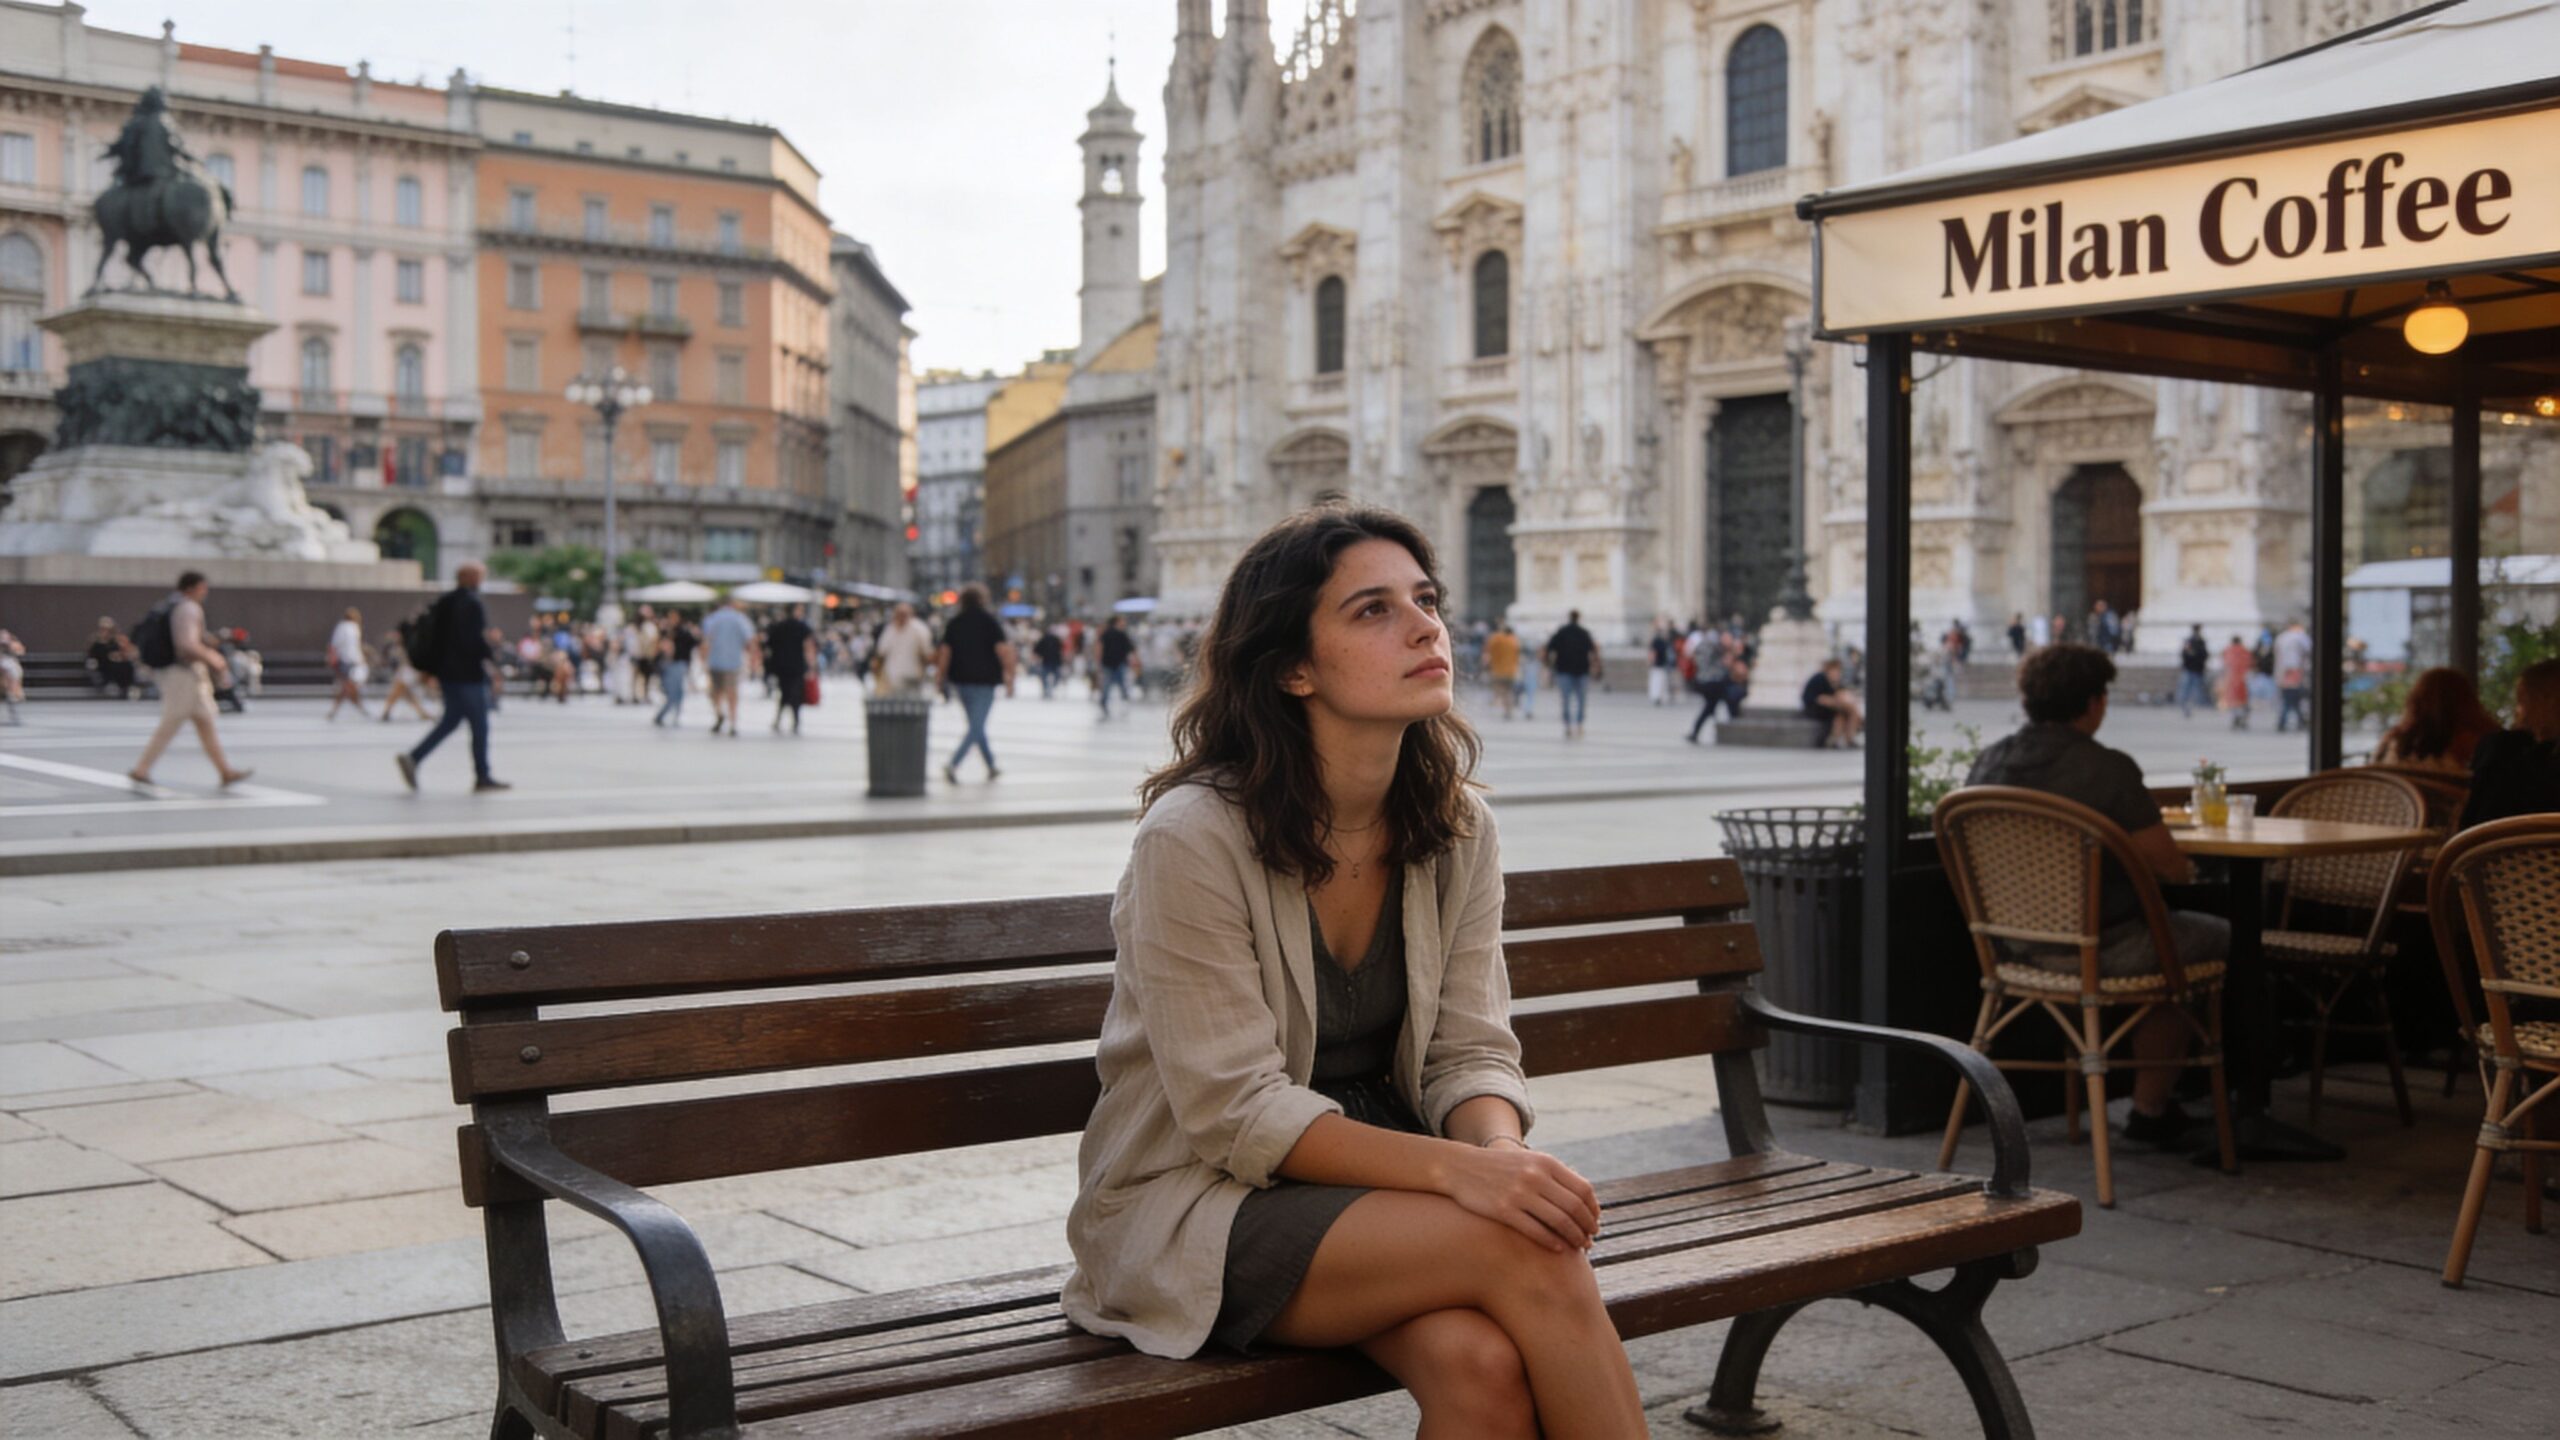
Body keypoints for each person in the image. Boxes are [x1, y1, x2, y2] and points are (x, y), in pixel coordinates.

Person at [1061, 506, 1644, 1433]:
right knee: (1530, 1248)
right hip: (1197, 1205)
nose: (1425, 627)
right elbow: (1235, 1111)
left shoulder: (1456, 826)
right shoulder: (1193, 837)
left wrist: (1496, 1153)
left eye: (1426, 600)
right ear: (1293, 666)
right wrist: (1468, 1182)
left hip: (1380, 1190)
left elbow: (1471, 1050)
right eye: (1372, 611)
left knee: (1481, 1366)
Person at [1965, 643, 2227, 1147]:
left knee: (2170, 939)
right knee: (2209, 940)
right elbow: (2170, 865)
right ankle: (2154, 1108)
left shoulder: (1989, 762)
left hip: (2008, 950)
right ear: (2094, 703)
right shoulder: (2106, 769)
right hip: (2100, 949)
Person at [128, 571, 252, 790]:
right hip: (182, 673)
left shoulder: (170, 604)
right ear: (193, 587)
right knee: (172, 720)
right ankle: (142, 769)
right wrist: (214, 659)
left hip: (183, 674)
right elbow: (187, 644)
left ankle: (225, 770)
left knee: (205, 721)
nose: (205, 593)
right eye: (203, 588)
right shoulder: (188, 607)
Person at [396, 562, 508, 793]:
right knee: (479, 724)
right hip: (467, 673)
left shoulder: (445, 601)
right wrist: (490, 652)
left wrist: (433, 670)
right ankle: (482, 776)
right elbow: (472, 640)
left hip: (447, 673)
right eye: (480, 575)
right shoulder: (471, 603)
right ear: (470, 577)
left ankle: (414, 758)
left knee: (451, 721)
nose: (482, 579)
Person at [2458, 659, 2560, 831]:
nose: (2516, 711)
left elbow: (2474, 826)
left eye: (2520, 701)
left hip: (2497, 854)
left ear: (2540, 702)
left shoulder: (2504, 750)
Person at [935, 584, 1016, 782]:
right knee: (976, 726)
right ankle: (953, 764)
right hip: (985, 681)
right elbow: (1003, 651)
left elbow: (945, 653)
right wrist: (1010, 677)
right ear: (982, 600)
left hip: (960, 681)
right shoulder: (990, 622)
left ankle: (991, 765)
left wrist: (939, 678)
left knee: (975, 724)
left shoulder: (954, 622)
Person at [2373, 668, 2501, 774]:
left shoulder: (2394, 742)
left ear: (2415, 701)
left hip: (2394, 803)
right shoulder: (2469, 741)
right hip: (2454, 803)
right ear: (2467, 703)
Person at [700, 596, 756, 737]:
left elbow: (706, 641)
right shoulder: (740, 619)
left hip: (715, 660)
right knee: (732, 693)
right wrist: (753, 660)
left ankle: (719, 713)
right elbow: (750, 641)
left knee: (715, 692)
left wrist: (703, 661)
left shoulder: (712, 619)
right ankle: (733, 723)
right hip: (734, 661)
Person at [1541, 610, 1599, 739]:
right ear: (1579, 618)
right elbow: (1594, 651)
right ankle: (1579, 724)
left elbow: (1549, 648)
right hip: (1582, 671)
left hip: (1564, 671)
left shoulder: (1561, 632)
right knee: (1581, 700)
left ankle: (1567, 725)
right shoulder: (1584, 633)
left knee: (1566, 700)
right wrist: (1595, 666)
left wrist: (1548, 664)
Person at [764, 607, 817, 735]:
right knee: (795, 693)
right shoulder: (802, 627)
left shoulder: (778, 627)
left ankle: (780, 718)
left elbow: (769, 647)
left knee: (784, 692)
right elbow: (808, 645)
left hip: (781, 665)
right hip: (797, 665)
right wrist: (811, 664)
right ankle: (795, 720)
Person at [874, 602, 939, 697]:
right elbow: (881, 652)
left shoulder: (919, 629)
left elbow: (927, 653)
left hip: (913, 676)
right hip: (892, 676)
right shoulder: (890, 629)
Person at [1800, 657, 1863, 748]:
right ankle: (1849, 738)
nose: (1837, 672)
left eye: (1838, 670)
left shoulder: (1835, 681)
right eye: (1835, 670)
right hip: (1814, 708)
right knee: (1850, 709)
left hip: (1829, 709)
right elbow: (1819, 699)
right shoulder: (1819, 678)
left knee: (1840, 715)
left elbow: (1841, 695)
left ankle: (1836, 740)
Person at [379, 621, 433, 723]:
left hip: (409, 670)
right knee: (405, 693)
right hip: (408, 669)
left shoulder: (408, 640)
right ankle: (422, 713)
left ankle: (386, 712)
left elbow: (406, 655)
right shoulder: (411, 639)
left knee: (398, 691)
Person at [326, 606, 371, 720]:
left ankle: (340, 709)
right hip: (351, 661)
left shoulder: (341, 627)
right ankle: (359, 707)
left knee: (347, 687)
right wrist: (360, 659)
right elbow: (353, 647)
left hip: (344, 661)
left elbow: (335, 644)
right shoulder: (353, 628)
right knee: (348, 687)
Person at [653, 615, 697, 727]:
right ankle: (664, 716)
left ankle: (672, 716)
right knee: (674, 694)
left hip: (675, 665)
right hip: (672, 666)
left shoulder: (679, 634)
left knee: (677, 694)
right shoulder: (670, 634)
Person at [2272, 619, 2312, 734]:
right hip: (2295, 670)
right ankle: (2287, 722)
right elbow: (2308, 650)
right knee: (2291, 699)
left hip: (2283, 672)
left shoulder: (2281, 637)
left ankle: (2297, 721)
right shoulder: (2300, 637)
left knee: (2290, 699)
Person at [87, 617, 140, 699]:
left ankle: (128, 687)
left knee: (127, 665)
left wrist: (118, 655)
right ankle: (109, 684)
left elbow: (123, 653)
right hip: (103, 666)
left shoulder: (115, 641)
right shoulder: (96, 643)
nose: (106, 632)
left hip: (115, 664)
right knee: (112, 667)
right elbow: (92, 657)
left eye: (108, 629)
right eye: (103, 629)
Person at [1096, 615, 1138, 717]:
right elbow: (1131, 649)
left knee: (1107, 684)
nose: (1124, 623)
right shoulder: (1122, 634)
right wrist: (1135, 660)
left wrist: (1099, 661)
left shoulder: (1105, 633)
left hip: (1108, 662)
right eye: (1122, 621)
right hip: (1120, 663)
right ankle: (1124, 701)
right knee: (1122, 684)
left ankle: (1104, 702)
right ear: (1116, 622)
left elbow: (1099, 647)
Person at [1481, 622, 1520, 720]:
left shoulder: (1496, 639)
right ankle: (1508, 709)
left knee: (1502, 690)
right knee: (1508, 691)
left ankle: (1501, 704)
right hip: (1511, 671)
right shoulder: (1514, 641)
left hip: (1498, 670)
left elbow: (1488, 651)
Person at [2175, 625, 2212, 718]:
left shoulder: (2201, 642)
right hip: (2190, 669)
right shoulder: (2190, 641)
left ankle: (2193, 707)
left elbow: (2204, 655)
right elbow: (2186, 653)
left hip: (2197, 669)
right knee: (2187, 690)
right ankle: (2185, 706)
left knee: (2195, 690)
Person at [2219, 634, 2254, 730]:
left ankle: (2236, 718)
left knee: (2233, 701)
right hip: (2243, 680)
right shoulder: (2245, 651)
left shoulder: (2227, 651)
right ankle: (2242, 719)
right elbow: (2250, 664)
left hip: (2231, 680)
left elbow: (2224, 665)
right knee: (2244, 702)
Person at [1647, 619, 1678, 707]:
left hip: (1659, 664)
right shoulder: (1662, 641)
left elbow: (1653, 653)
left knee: (1658, 681)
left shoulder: (1658, 641)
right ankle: (1660, 697)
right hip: (1661, 664)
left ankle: (1658, 697)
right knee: (1661, 681)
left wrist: (1650, 662)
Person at [1034, 625, 1066, 698]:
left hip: (1048, 660)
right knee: (1055, 675)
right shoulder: (1056, 639)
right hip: (1053, 660)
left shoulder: (1045, 639)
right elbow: (1062, 650)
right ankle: (1050, 688)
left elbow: (1037, 650)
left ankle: (1047, 688)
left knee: (1046, 676)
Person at [0, 627, 22, 725]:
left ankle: (14, 715)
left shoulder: (12, 645)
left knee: (11, 693)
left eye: (5, 635)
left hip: (10, 673)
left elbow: (20, 651)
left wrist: (9, 644)